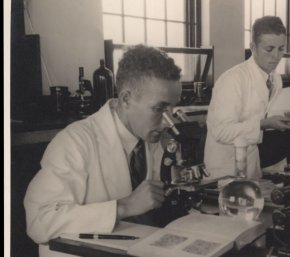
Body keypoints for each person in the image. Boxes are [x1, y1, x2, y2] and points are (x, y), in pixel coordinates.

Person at [24, 44, 182, 257]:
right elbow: (39, 221)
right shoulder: (75, 141)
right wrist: (123, 207)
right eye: (159, 108)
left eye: (173, 108)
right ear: (126, 98)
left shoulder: (151, 138)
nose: (167, 121)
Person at [204, 16, 290, 179]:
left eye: (281, 49)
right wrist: (263, 124)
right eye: (269, 49)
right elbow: (221, 131)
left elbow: (263, 117)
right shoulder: (233, 79)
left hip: (252, 162)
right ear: (253, 47)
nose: (276, 56)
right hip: (224, 168)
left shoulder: (276, 79)